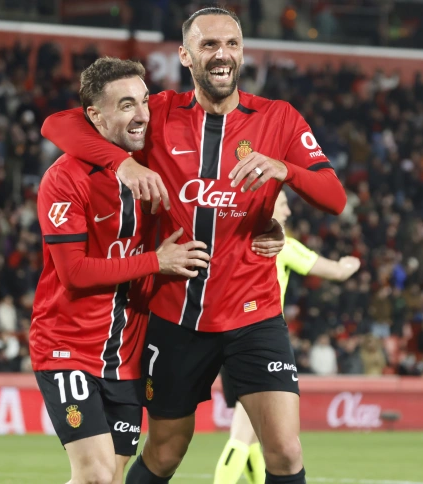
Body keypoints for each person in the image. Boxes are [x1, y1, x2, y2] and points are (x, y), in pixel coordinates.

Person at [41, 7, 347, 484]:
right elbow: (59, 126)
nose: (222, 54)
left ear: (242, 52)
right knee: (164, 452)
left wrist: (287, 170)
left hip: (253, 313)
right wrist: (121, 164)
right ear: (185, 55)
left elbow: (334, 197)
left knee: (285, 451)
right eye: (209, 45)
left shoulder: (279, 119)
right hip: (174, 317)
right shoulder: (158, 113)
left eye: (232, 44)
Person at [31, 57, 283, 484]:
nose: (142, 114)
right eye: (126, 105)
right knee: (93, 475)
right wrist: (156, 262)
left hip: (128, 356)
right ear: (94, 115)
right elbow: (73, 272)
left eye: (144, 102)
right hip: (67, 347)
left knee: (111, 476)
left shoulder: (155, 164)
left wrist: (263, 225)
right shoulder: (65, 178)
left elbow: (210, 203)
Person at [214, 190, 360, 484]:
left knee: (255, 435)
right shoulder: (281, 246)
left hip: (227, 339)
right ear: (267, 208)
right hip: (256, 343)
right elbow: (333, 272)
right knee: (243, 433)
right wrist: (349, 265)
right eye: (282, 204)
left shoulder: (232, 242)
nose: (288, 212)